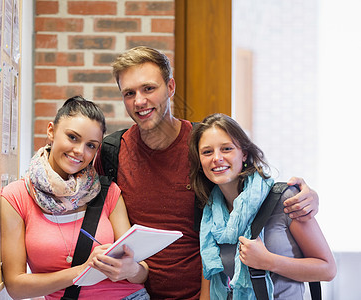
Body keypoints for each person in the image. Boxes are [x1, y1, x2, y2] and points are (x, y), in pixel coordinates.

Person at [94, 46, 321, 299]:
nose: (139, 101)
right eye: (129, 93)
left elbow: (255, 186)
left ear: (170, 87)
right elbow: (76, 195)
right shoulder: (111, 152)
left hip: (207, 292)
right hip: (136, 294)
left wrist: (307, 196)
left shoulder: (205, 146)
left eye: (148, 88)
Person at [1, 96, 150, 300]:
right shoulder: (15, 197)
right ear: (51, 131)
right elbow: (16, 287)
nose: (80, 151)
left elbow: (141, 273)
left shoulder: (108, 192)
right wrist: (82, 270)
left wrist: (131, 269)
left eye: (91, 145)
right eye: (72, 137)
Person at [188, 113, 337, 299]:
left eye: (226, 149)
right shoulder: (210, 217)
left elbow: (327, 268)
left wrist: (268, 261)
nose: (216, 158)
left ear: (244, 154)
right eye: (207, 152)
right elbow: (207, 292)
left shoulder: (284, 199)